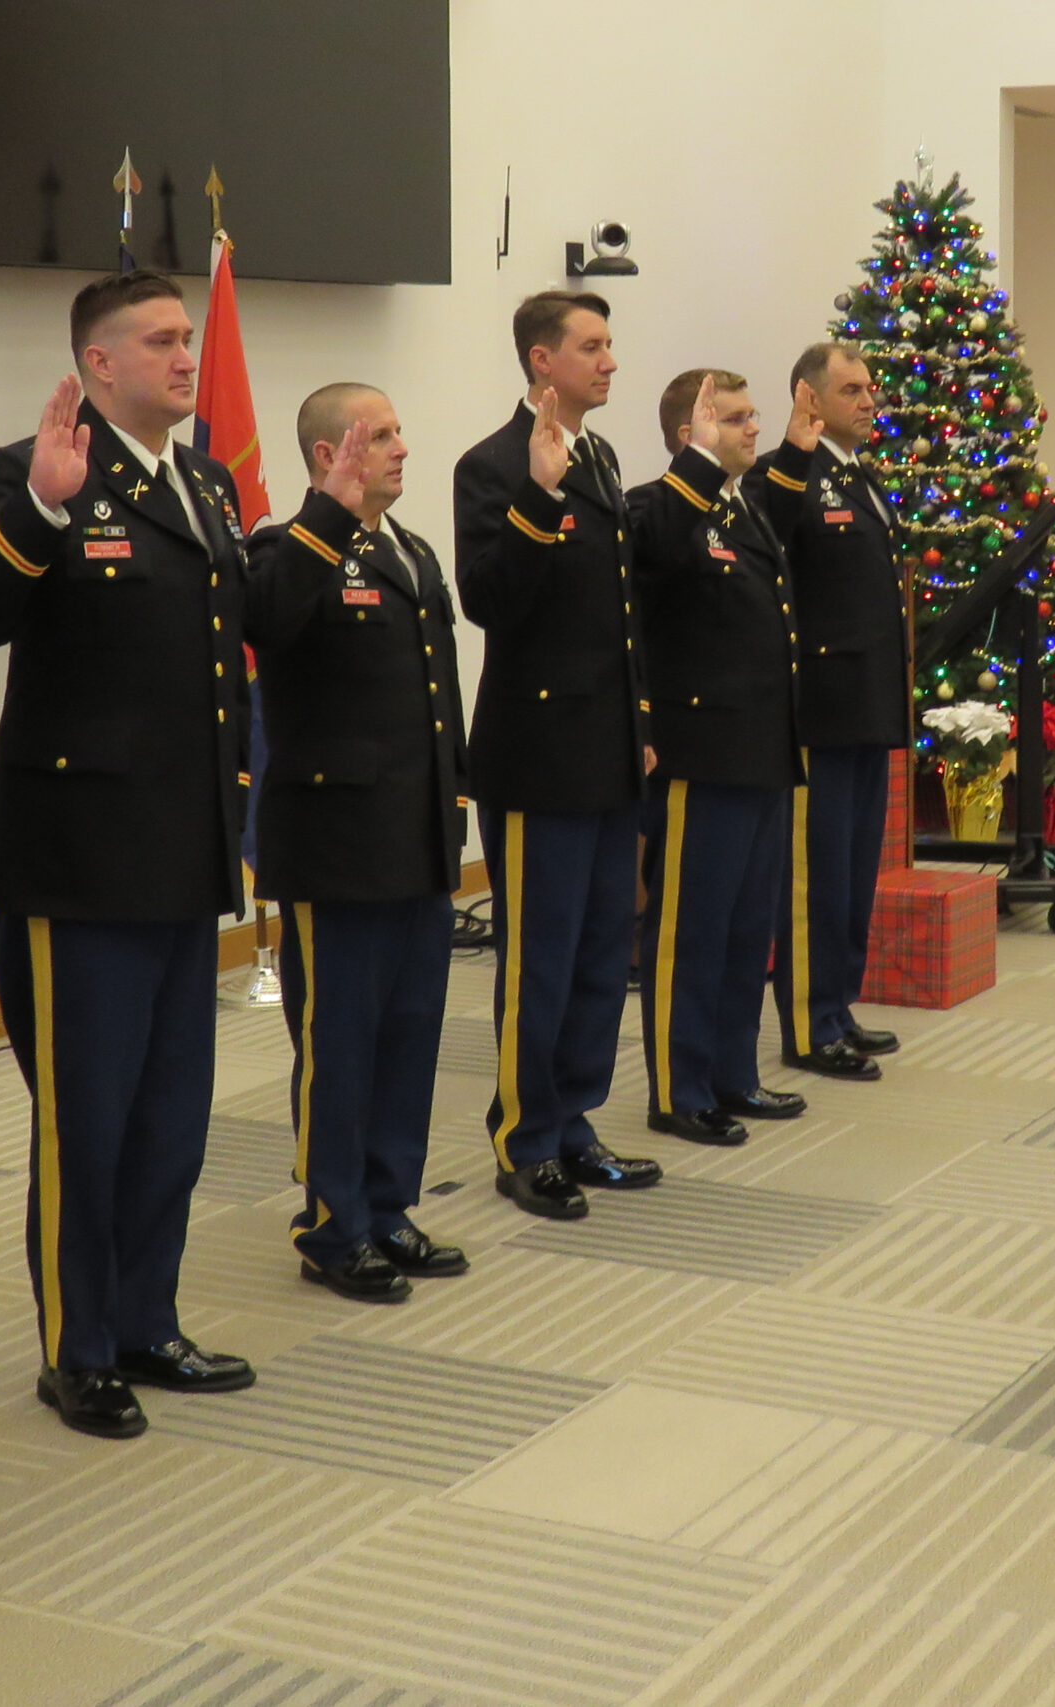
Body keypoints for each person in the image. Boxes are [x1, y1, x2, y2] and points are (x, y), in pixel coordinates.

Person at [0, 273, 255, 1440]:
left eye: (190, 337)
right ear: (99, 363)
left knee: (172, 1115)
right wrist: (42, 510)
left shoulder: (206, 481)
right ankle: (77, 1352)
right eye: (163, 340)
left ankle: (146, 1322)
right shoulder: (34, 470)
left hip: (184, 851)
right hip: (77, 861)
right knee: (88, 1122)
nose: (187, 356)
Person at [243, 383, 470, 1295]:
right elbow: (266, 623)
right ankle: (333, 1224)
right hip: (337, 844)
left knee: (409, 1035)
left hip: (417, 834)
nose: (401, 448)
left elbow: (436, 692)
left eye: (399, 432)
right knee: (338, 1044)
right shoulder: (284, 547)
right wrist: (325, 518)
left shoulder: (409, 549)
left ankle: (387, 1204)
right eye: (380, 436)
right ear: (329, 454)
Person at [454, 291, 664, 1218]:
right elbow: (489, 600)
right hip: (538, 755)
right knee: (538, 960)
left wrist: (641, 723)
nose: (610, 361)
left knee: (598, 953)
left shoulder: (602, 456)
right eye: (592, 346)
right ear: (542, 361)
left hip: (608, 750)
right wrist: (538, 499)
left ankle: (575, 1121)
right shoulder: (492, 465)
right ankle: (525, 1138)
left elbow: (621, 613)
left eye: (610, 345)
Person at [630, 371, 809, 1146]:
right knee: (691, 932)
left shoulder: (744, 508)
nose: (751, 427)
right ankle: (680, 1090)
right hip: (701, 756)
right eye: (733, 417)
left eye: (751, 414)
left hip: (761, 750)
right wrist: (696, 468)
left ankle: (734, 1072)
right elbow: (656, 564)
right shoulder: (655, 509)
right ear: (690, 432)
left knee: (745, 930)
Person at [757, 343, 908, 1079]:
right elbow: (772, 545)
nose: (869, 399)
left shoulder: (861, 476)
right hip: (819, 709)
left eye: (870, 387)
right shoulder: (788, 476)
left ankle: (838, 1006)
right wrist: (794, 450)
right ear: (809, 399)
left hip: (867, 707)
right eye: (851, 389)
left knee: (853, 872)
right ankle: (809, 1025)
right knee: (816, 878)